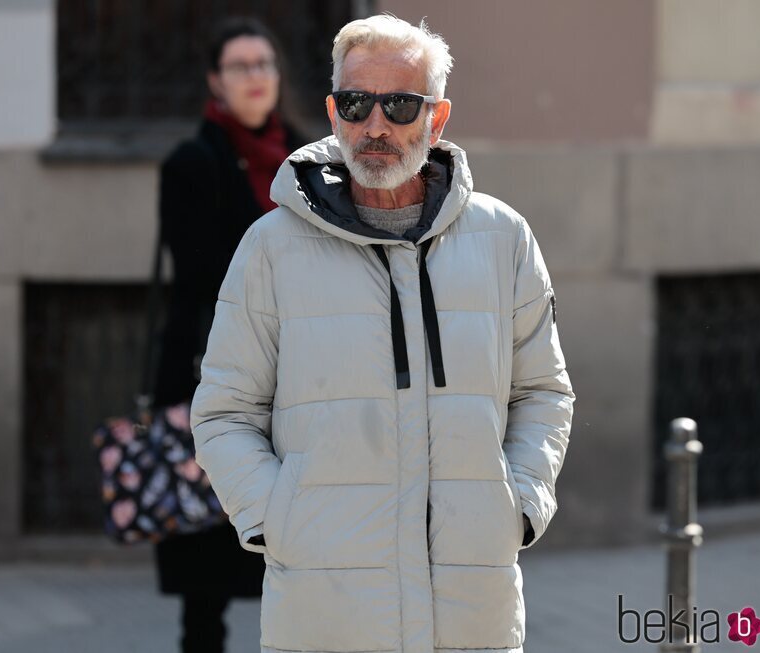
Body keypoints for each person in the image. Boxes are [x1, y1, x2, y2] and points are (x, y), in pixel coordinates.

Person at [189, 13, 577, 653]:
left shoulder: (503, 239)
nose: (375, 126)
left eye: (399, 105)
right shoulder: (271, 248)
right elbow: (225, 411)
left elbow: (545, 392)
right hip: (326, 617)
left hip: (472, 615)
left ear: (437, 116)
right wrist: (275, 519)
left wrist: (521, 503)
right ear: (333, 111)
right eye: (356, 103)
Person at [151, 16, 308, 653]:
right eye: (240, 66)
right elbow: (198, 274)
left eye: (264, 64)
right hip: (212, 374)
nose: (255, 77)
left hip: (297, 377)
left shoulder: (307, 158)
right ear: (216, 81)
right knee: (206, 575)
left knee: (300, 557)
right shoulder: (192, 163)